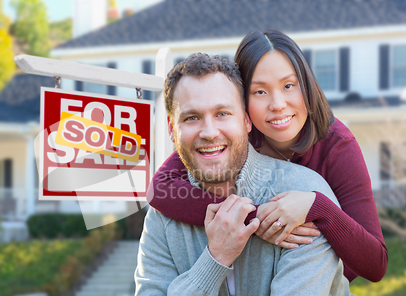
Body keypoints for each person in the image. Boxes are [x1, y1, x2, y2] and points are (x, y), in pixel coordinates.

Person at [131, 53, 376, 296]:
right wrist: (215, 258)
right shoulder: (163, 217)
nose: (209, 132)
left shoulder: (303, 198)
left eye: (222, 113)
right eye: (192, 117)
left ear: (247, 121)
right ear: (173, 131)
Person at [147, 30, 387, 283]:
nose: (278, 104)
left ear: (306, 85)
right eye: (260, 92)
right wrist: (260, 219)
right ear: (242, 104)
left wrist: (316, 206)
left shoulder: (337, 145)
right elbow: (160, 189)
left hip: (319, 288)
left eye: (288, 86)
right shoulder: (233, 136)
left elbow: (375, 263)